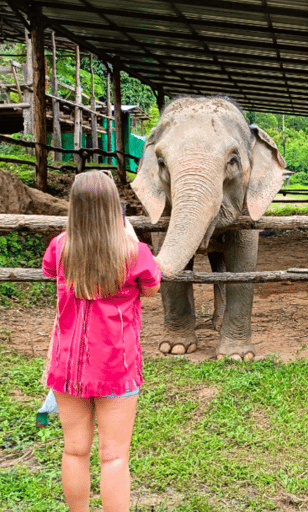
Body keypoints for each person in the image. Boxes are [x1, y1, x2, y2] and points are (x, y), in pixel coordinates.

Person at [41, 170, 161, 512]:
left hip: (67, 364)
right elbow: (151, 289)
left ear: (75, 206)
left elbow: (51, 271)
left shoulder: (61, 245)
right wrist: (133, 236)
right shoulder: (133, 251)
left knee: (74, 450)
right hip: (116, 366)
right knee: (114, 456)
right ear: (114, 206)